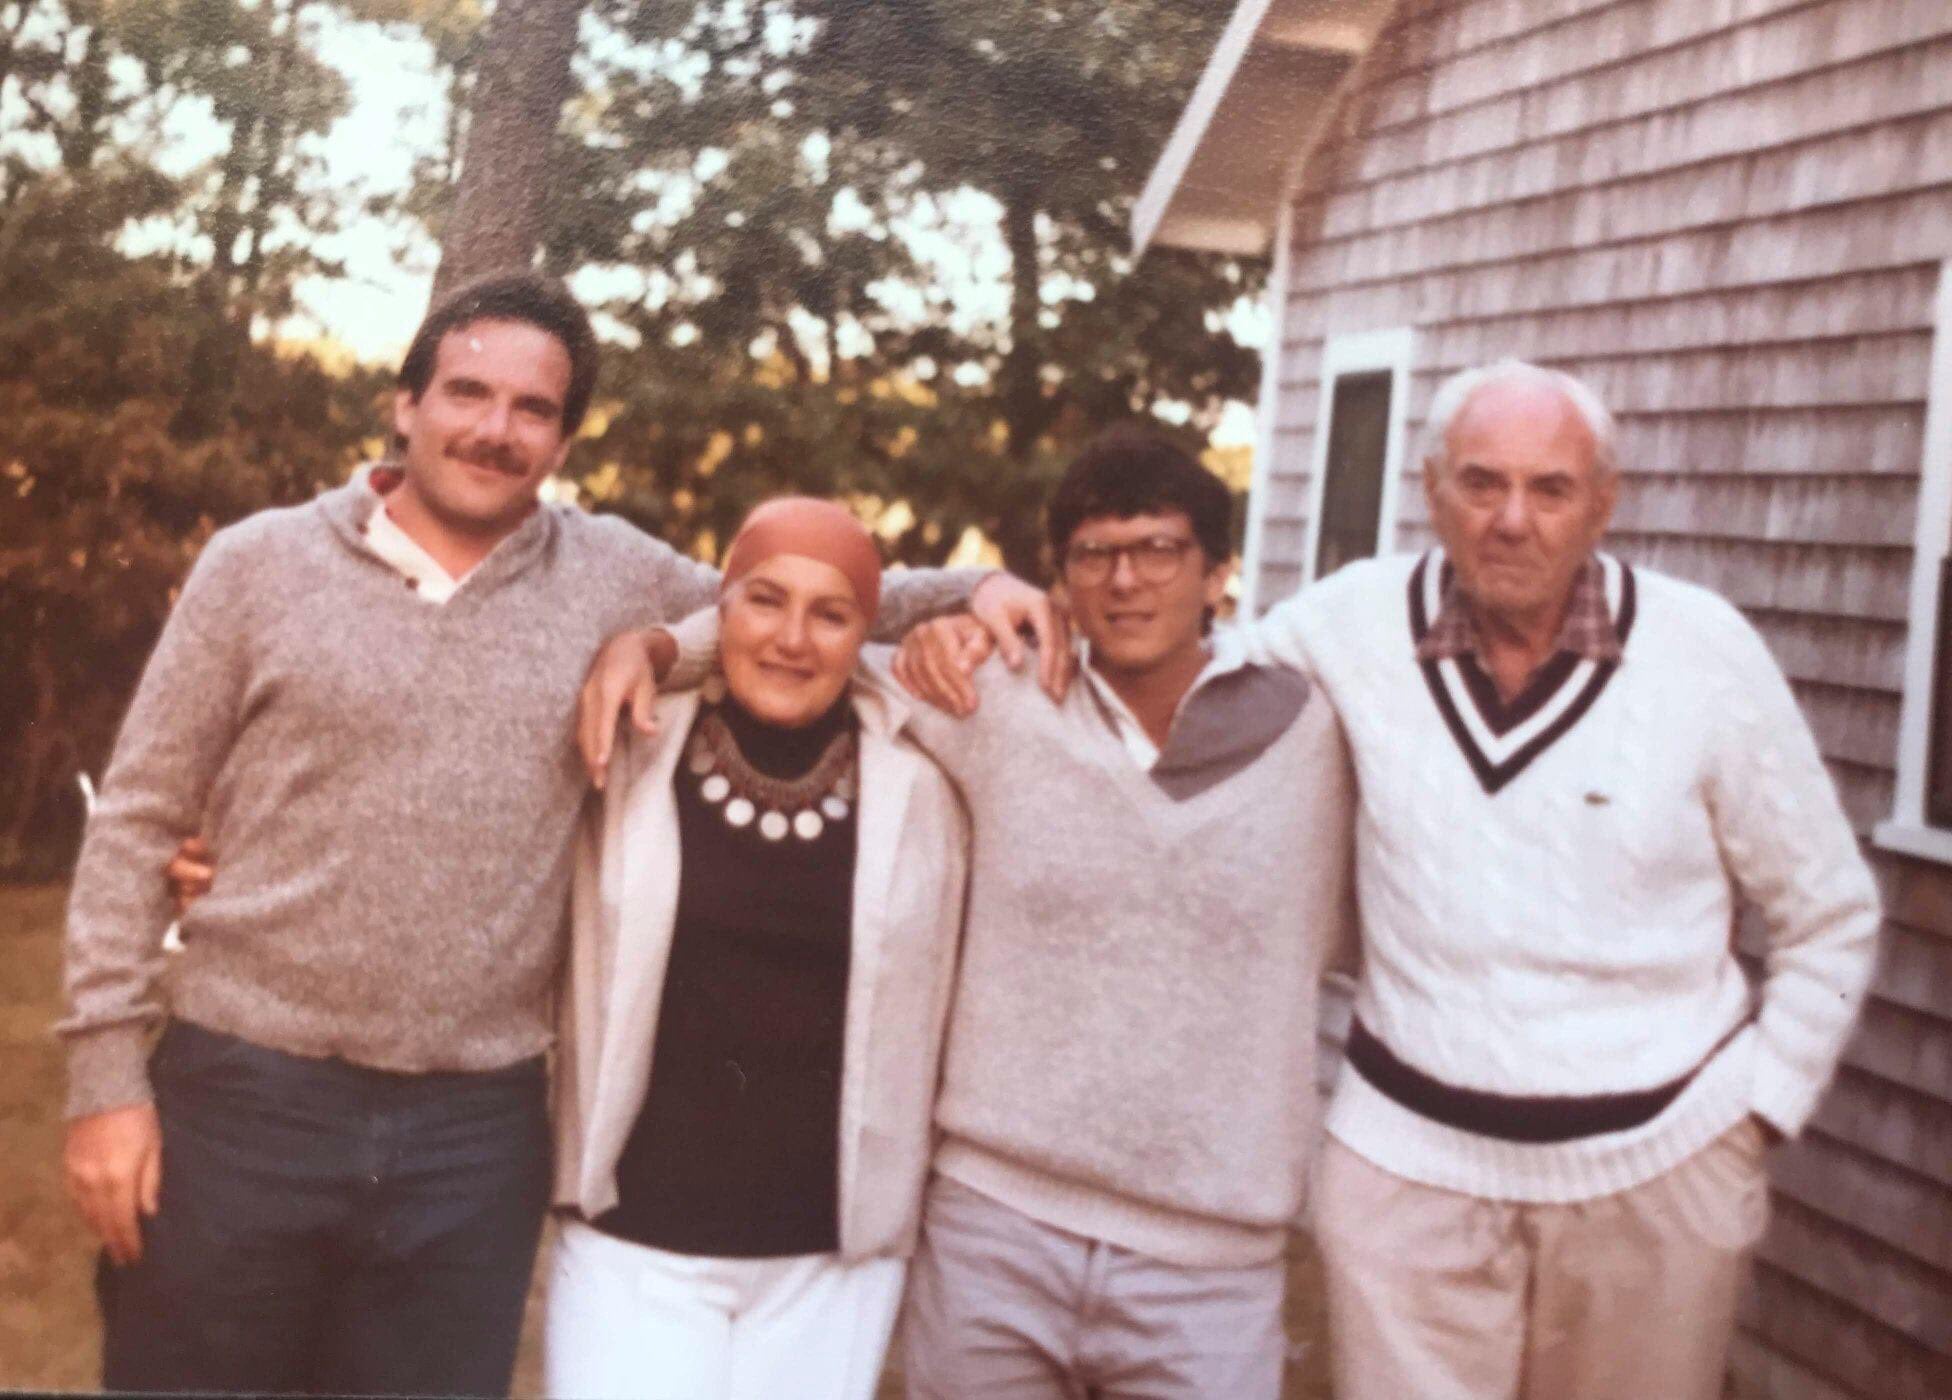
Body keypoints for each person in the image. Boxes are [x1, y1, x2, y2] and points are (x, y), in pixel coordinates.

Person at [59, 270, 1052, 1396]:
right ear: (404, 403)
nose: (494, 429)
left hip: (470, 1133)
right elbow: (138, 817)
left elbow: (790, 599)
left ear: (565, 436)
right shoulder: (258, 563)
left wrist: (976, 587)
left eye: (533, 409)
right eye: (466, 392)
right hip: (243, 1094)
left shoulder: (609, 573)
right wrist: (104, 1082)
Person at [584, 427, 1357, 1398]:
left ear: (1217, 572)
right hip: (993, 1229)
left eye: (1157, 549)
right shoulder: (989, 697)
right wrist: (660, 642)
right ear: (1060, 578)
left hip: (1209, 1261)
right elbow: (797, 644)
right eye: (1092, 555)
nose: (1124, 580)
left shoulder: (1318, 740)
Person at [1223, 360, 1882, 1399]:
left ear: (1602, 503)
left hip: (1657, 1179)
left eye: (1549, 488)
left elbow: (1828, 912)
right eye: (1480, 483)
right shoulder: (1344, 624)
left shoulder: (1699, 653)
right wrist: (971, 603)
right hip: (1406, 1177)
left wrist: (1755, 1108)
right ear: (1432, 491)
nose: (1510, 519)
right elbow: (1179, 699)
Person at [545, 497, 968, 1400]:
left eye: (832, 613)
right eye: (765, 601)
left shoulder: (926, 780)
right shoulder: (628, 742)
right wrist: (660, 646)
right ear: (719, 610)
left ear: (867, 633)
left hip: (828, 1259)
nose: (792, 638)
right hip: (632, 1238)